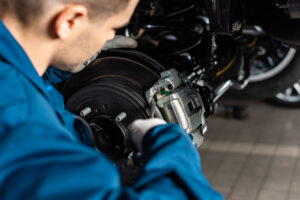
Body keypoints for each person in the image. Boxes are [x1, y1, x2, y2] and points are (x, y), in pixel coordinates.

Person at [0, 0, 223, 199]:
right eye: (111, 27)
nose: (109, 36)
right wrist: (173, 152)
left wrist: (50, 66)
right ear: (69, 22)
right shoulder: (21, 126)